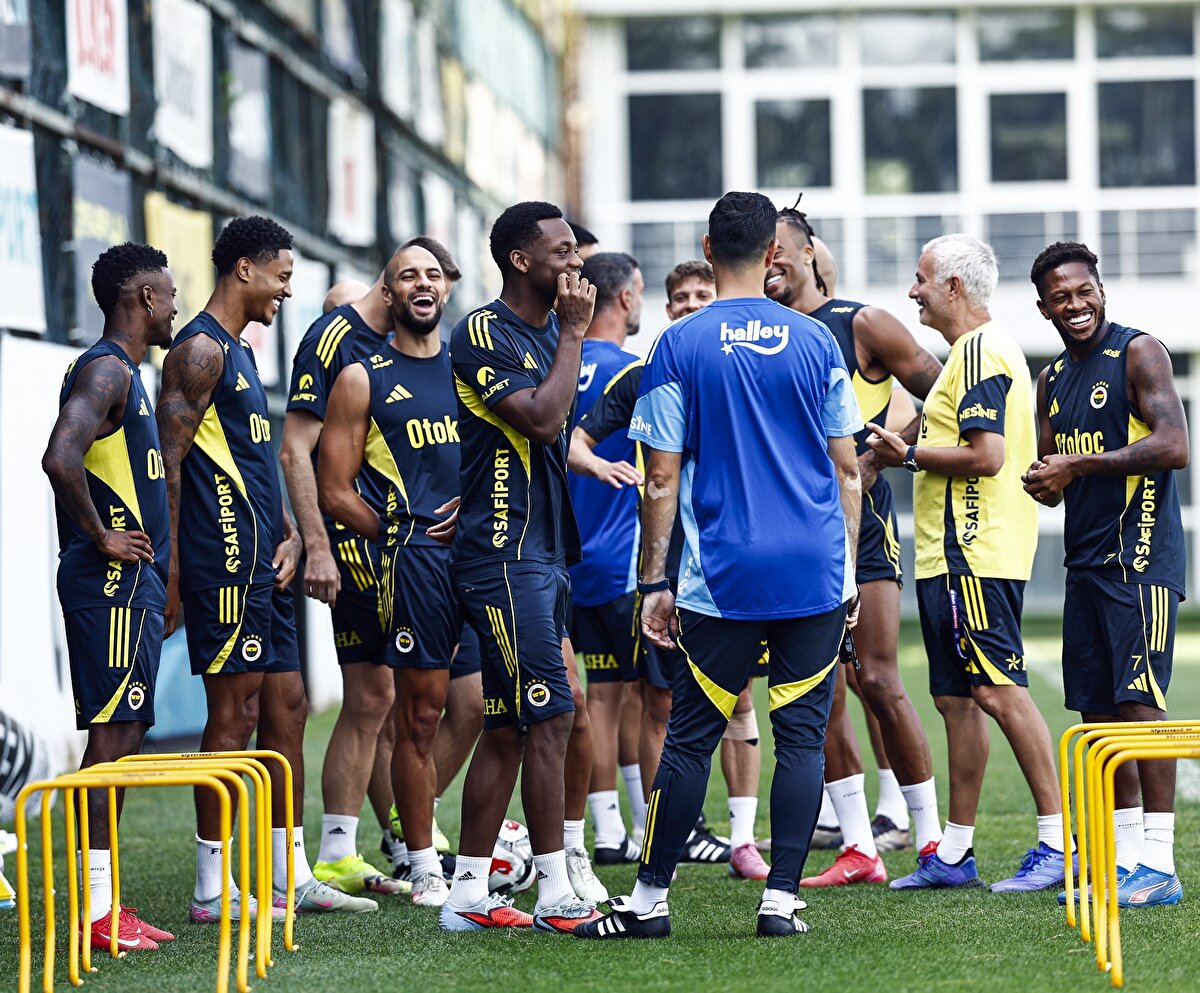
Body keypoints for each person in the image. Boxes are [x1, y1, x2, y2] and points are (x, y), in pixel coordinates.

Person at [577, 191, 863, 940]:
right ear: (775, 252)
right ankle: (781, 901)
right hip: (815, 570)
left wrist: (652, 582)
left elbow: (661, 478)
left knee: (693, 734)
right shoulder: (815, 343)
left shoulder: (678, 344)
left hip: (721, 573)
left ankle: (648, 900)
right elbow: (850, 472)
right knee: (801, 734)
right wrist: (852, 576)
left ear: (709, 246)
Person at [157, 215, 374, 918]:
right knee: (234, 714)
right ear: (244, 269)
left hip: (266, 562)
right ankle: (209, 885)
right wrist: (170, 571)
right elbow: (170, 466)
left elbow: (257, 462)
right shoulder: (197, 351)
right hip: (221, 565)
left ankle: (290, 874)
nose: (287, 291)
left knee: (286, 708)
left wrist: (286, 531)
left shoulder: (244, 353)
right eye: (281, 276)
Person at [868, 234, 1070, 892]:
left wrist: (907, 456)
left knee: (995, 689)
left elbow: (985, 456)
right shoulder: (967, 354)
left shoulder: (982, 350)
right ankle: (955, 854)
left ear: (954, 287)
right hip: (947, 556)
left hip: (972, 554)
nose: (912, 290)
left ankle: (1056, 842)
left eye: (922, 278)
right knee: (956, 699)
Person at [763, 205, 944, 888]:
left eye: (783, 250)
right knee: (817, 691)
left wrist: (892, 451)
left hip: (861, 528)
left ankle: (933, 842)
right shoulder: (760, 335)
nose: (773, 261)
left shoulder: (860, 322)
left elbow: (944, 389)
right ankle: (860, 846)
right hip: (790, 535)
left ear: (811, 253)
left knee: (877, 678)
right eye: (764, 252)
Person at [438, 201, 600, 933]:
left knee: (507, 727)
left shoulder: (541, 334)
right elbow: (538, 417)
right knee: (554, 712)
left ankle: (468, 894)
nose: (576, 263)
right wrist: (573, 331)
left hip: (538, 553)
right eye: (563, 251)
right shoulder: (484, 330)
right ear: (521, 261)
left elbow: (544, 433)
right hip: (505, 557)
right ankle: (555, 886)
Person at [281, 239, 462, 896]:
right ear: (386, 290)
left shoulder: (455, 360)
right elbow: (299, 451)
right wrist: (319, 546)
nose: (421, 286)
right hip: (370, 555)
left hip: (434, 560)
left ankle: (403, 828)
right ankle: (343, 846)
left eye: (433, 275)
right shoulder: (340, 343)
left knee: (429, 702)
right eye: (407, 275)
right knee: (376, 698)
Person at [568, 258, 758, 874]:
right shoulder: (644, 373)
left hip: (666, 563)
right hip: (650, 567)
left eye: (705, 292)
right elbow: (601, 451)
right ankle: (667, 832)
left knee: (625, 699)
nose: (692, 303)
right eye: (680, 295)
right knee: (657, 701)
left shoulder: (579, 367)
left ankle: (634, 830)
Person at [1022, 241, 1188, 906]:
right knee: (1097, 713)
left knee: (1138, 702)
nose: (1075, 304)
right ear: (1044, 308)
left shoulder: (1139, 352)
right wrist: (1043, 480)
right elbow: (1054, 476)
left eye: (1083, 290)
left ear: (1100, 290)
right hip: (1084, 565)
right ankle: (1121, 860)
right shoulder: (1051, 379)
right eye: (1061, 296)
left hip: (1139, 560)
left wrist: (1077, 467)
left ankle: (1160, 860)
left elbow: (1174, 444)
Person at [42, 242, 178, 950]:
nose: (176, 305)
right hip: (108, 580)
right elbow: (59, 457)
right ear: (144, 299)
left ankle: (108, 904)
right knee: (110, 738)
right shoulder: (105, 367)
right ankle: (96, 912)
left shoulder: (127, 371)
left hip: (132, 581)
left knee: (124, 736)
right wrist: (102, 537)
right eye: (170, 293)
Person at [566, 252, 645, 866]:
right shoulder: (633, 373)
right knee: (634, 698)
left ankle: (606, 828)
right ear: (625, 297)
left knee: (587, 701)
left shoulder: (552, 367)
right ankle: (643, 826)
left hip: (559, 562)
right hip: (620, 565)